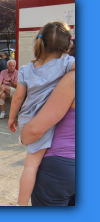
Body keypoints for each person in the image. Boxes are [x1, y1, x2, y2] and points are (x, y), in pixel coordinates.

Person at [8, 21, 75, 206]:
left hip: (28, 117)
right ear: (65, 45)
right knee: (32, 166)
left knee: (29, 166)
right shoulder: (66, 64)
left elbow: (17, 98)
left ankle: (21, 205)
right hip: (44, 121)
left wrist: (12, 117)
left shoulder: (25, 69)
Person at [21, 71, 75, 206]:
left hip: (61, 163)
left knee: (30, 166)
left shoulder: (73, 78)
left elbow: (35, 130)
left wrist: (23, 137)